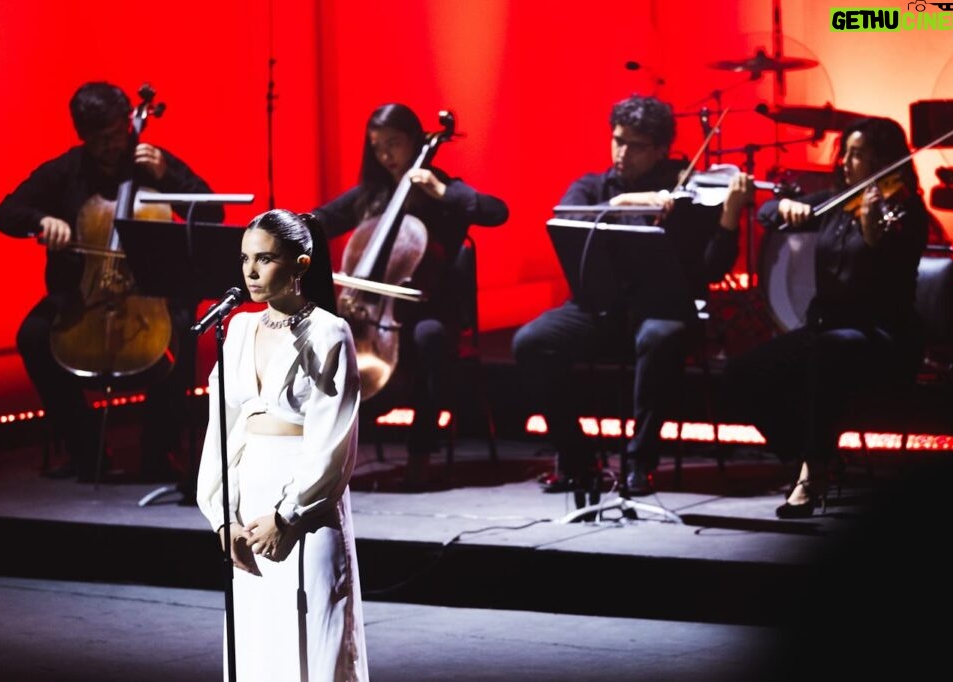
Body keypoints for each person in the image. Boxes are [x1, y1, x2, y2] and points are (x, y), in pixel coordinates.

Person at [512, 94, 753, 496]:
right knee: (532, 341)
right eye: (617, 140)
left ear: (661, 149)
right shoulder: (591, 187)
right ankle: (577, 457)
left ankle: (640, 463)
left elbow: (712, 270)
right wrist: (626, 202)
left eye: (635, 145)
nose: (621, 152)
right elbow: (568, 219)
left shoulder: (686, 191)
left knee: (657, 338)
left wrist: (729, 217)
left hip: (666, 310)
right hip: (599, 308)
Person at [0, 81, 224, 483]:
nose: (115, 145)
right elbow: (5, 212)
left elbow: (213, 210)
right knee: (32, 336)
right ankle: (87, 451)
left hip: (151, 291)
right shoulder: (66, 171)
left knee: (183, 331)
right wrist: (40, 221)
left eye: (119, 134)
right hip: (82, 293)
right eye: (102, 140)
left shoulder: (151, 159)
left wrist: (167, 176)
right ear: (83, 136)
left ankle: (159, 452)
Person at [721, 116, 928, 518]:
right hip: (828, 330)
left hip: (883, 335)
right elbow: (766, 213)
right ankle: (811, 456)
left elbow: (893, 270)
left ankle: (811, 476)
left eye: (858, 155)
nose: (846, 163)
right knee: (740, 375)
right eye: (845, 153)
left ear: (884, 160)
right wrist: (784, 205)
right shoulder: (838, 203)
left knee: (828, 352)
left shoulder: (905, 211)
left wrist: (874, 236)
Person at [196, 209, 368, 680]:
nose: (250, 271)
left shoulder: (329, 332)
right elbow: (221, 427)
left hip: (305, 502)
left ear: (301, 264)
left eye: (265, 259)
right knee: (256, 634)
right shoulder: (237, 329)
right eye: (245, 258)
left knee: (312, 626)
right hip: (249, 493)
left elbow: (333, 440)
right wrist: (221, 515)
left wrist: (288, 514)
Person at [313, 103, 509, 486]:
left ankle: (421, 448)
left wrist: (443, 191)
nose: (385, 155)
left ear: (415, 142)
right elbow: (321, 219)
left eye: (393, 144)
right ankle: (325, 453)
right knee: (325, 338)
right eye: (377, 146)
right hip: (378, 314)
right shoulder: (372, 194)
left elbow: (496, 211)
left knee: (428, 339)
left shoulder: (440, 189)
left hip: (431, 308)